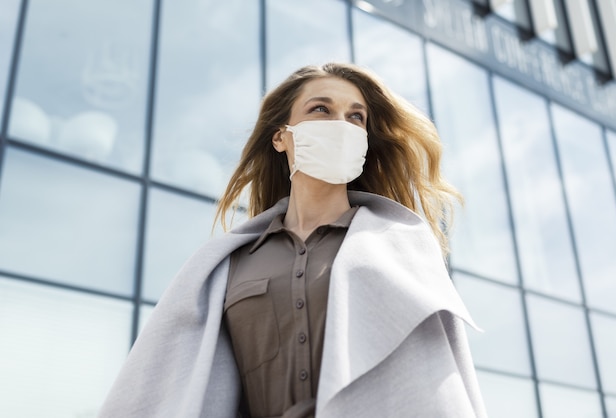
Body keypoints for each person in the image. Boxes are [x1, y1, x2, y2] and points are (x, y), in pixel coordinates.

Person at [99, 63, 487, 418]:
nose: (342, 124)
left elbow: (438, 383)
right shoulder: (227, 265)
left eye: (356, 117)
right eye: (321, 109)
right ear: (282, 138)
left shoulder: (403, 247)